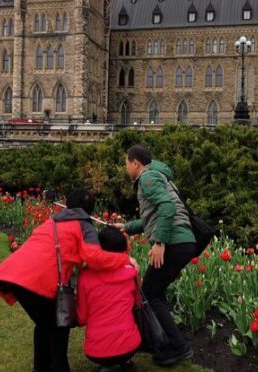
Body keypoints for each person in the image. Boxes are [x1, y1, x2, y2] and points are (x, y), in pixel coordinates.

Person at [0, 189, 136, 372]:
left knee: (44, 324)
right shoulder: (84, 225)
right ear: (89, 209)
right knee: (58, 327)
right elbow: (94, 257)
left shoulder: (52, 222)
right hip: (38, 281)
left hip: (14, 276)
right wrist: (125, 259)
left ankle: (42, 367)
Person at [112, 144, 196, 366]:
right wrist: (128, 227)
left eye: (126, 163)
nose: (125, 167)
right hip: (182, 241)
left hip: (174, 242)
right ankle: (163, 341)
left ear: (135, 163)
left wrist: (160, 243)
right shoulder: (157, 176)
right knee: (155, 292)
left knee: (149, 293)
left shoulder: (148, 179)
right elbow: (155, 215)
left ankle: (177, 346)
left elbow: (167, 208)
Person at [77, 227, 140, 372]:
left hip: (96, 350)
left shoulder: (85, 277)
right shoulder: (132, 272)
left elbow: (82, 317)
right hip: (131, 344)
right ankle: (126, 360)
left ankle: (106, 365)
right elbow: (137, 304)